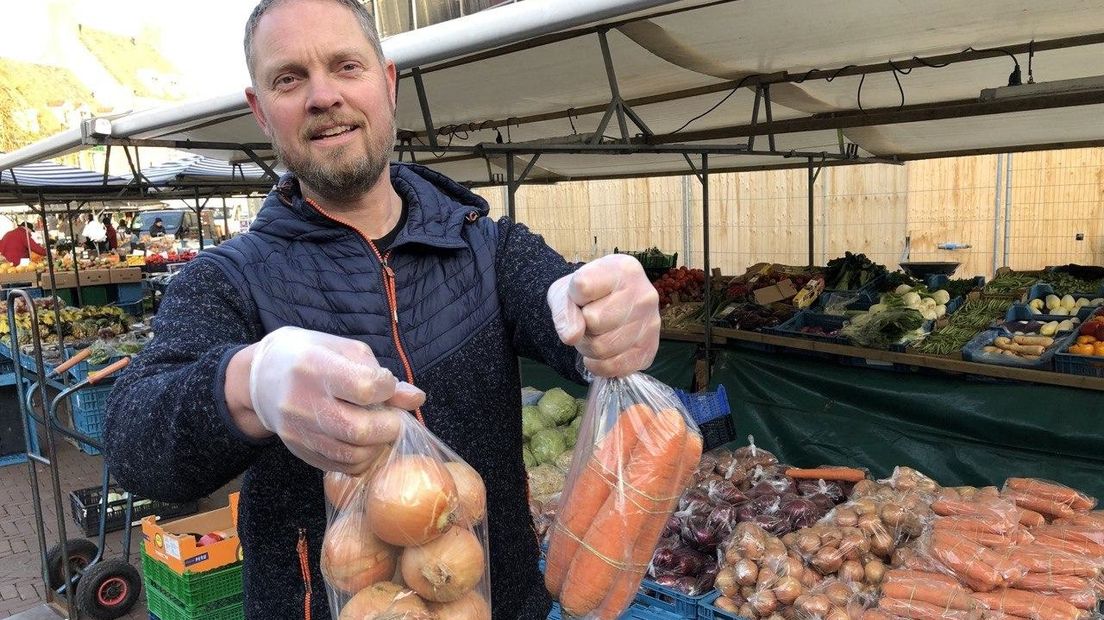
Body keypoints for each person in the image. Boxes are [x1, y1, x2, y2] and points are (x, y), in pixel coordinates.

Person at [103, 1, 659, 618]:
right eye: (289, 79)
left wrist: (605, 313)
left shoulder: (490, 248)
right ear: (260, 110)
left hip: (490, 600)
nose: (323, 96)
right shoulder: (227, 280)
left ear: (388, 85)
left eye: (346, 66)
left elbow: (573, 317)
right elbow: (133, 442)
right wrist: (247, 384)